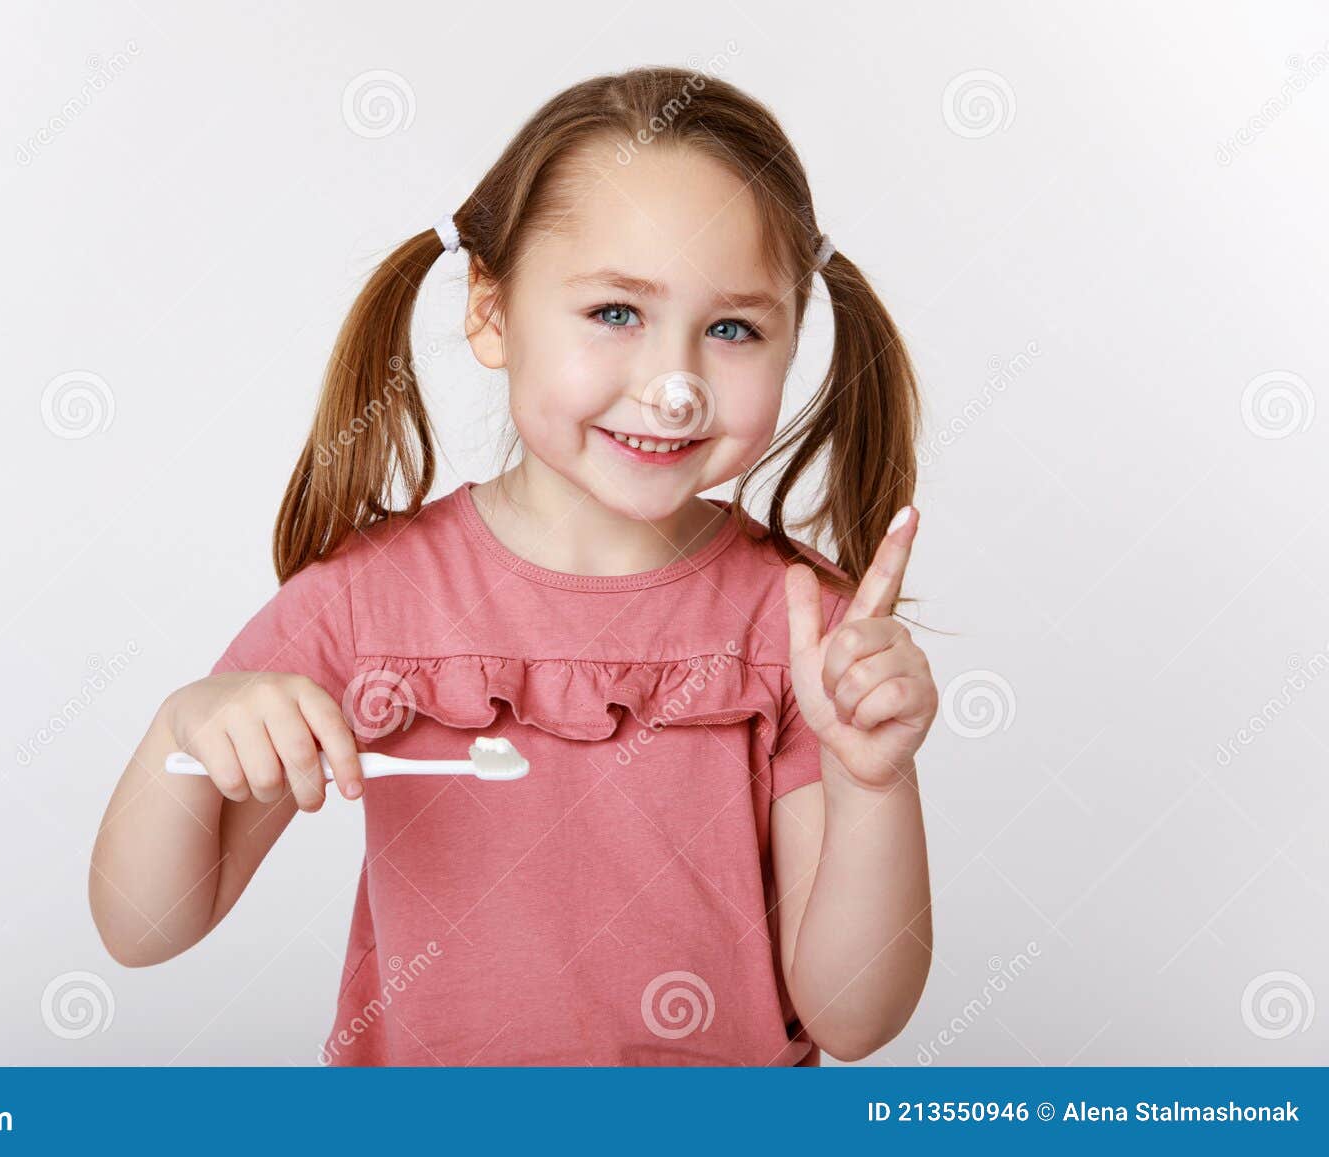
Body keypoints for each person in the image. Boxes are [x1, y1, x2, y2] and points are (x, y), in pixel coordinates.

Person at [89, 65, 937, 1067]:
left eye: (731, 329)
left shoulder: (801, 629)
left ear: (794, 338)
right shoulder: (368, 603)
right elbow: (143, 927)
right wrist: (181, 729)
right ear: (489, 312)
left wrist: (872, 784)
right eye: (615, 312)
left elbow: (852, 1017)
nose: (674, 387)